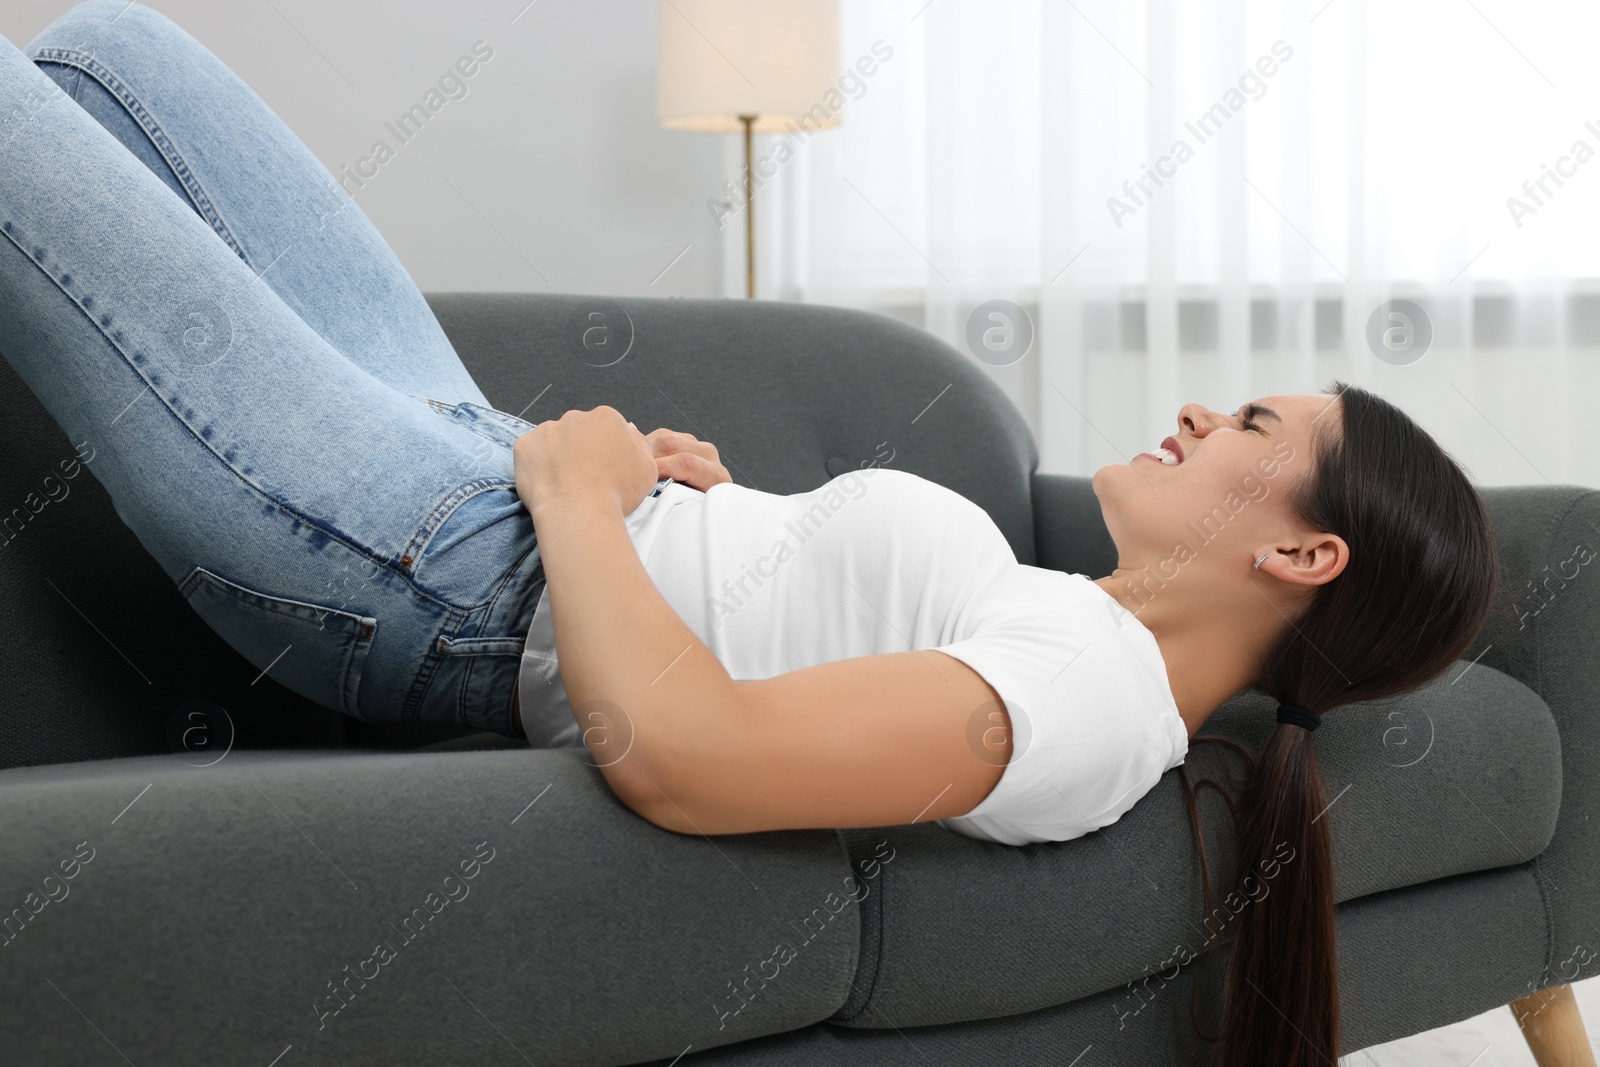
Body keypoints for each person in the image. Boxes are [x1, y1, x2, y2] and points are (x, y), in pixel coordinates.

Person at [0, 5, 1499, 1065]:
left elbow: (690, 754)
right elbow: (773, 634)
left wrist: (589, 512)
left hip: (423, 567)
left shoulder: (1091, 701)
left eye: (1250, 429)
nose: (1196, 417)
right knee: (110, 53)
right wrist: (696, 507)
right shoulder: (1073, 626)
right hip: (480, 479)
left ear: (1306, 556)